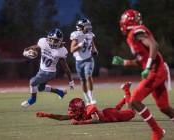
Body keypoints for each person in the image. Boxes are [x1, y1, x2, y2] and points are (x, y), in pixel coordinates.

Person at [112, 9, 174, 140]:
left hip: (156, 71)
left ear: (128, 21)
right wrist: (124, 62)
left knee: (134, 101)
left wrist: (149, 65)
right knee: (164, 108)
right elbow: (141, 61)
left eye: (123, 20)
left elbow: (154, 45)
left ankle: (157, 131)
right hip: (156, 70)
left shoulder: (136, 31)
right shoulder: (132, 37)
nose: (121, 23)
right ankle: (158, 131)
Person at [21, 28, 74, 108]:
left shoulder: (61, 51)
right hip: (42, 70)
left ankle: (32, 100)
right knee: (40, 88)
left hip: (49, 72)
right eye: (51, 39)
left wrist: (71, 81)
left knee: (32, 82)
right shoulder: (43, 42)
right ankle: (60, 92)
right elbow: (36, 47)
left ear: (60, 41)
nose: (52, 42)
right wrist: (27, 50)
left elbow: (65, 67)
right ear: (48, 38)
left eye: (55, 40)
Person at [36, 82, 135, 125]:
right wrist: (47, 115)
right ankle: (124, 99)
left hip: (111, 115)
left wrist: (80, 123)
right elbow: (61, 117)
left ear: (79, 109)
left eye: (73, 109)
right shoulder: (78, 112)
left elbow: (95, 120)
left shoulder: (89, 108)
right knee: (120, 109)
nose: (71, 111)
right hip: (108, 113)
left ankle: (126, 90)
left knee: (132, 112)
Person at [70, 18, 98, 105]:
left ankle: (91, 97)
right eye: (87, 26)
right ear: (81, 27)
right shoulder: (76, 35)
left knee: (88, 76)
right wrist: (79, 45)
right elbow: (72, 50)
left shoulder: (90, 34)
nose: (89, 27)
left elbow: (92, 45)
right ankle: (87, 99)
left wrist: (95, 50)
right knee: (82, 80)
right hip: (79, 61)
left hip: (88, 60)